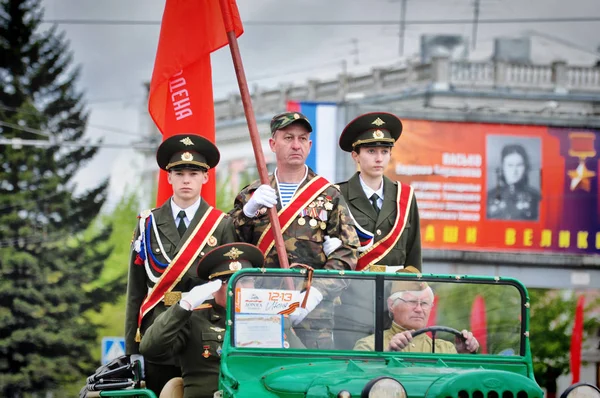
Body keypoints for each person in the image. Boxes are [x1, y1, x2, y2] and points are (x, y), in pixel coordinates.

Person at [229, 111, 360, 349]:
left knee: (314, 379)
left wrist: (316, 294)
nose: (296, 145)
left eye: (302, 139)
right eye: (288, 138)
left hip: (312, 316)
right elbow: (229, 247)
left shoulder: (328, 195)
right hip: (260, 307)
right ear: (273, 144)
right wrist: (247, 212)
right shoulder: (253, 193)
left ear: (310, 145)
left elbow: (349, 251)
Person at [125, 134, 236, 396]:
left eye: (194, 173)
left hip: (203, 338)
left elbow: (230, 287)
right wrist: (132, 349)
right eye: (180, 172)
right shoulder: (147, 223)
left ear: (205, 177)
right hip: (157, 334)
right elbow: (135, 292)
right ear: (168, 177)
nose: (187, 179)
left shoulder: (221, 225)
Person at [139, 243, 277, 398]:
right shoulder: (194, 319)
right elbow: (150, 348)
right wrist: (184, 306)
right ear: (214, 286)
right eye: (230, 281)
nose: (240, 288)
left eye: (246, 280)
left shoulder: (270, 318)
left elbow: (301, 365)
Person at [333, 112, 422, 350]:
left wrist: (412, 300)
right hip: (349, 305)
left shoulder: (405, 196)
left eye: (384, 151)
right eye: (371, 151)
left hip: (393, 306)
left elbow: (413, 256)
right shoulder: (336, 196)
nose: (378, 158)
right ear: (356, 155)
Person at [354, 267, 479, 353]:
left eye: (424, 303)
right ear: (392, 305)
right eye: (412, 302)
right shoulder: (370, 346)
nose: (419, 309)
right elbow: (361, 381)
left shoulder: (445, 349)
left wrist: (464, 354)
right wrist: (388, 353)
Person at [487, 143, 541, 221]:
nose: (514, 171)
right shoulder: (489, 196)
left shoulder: (535, 197)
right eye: (510, 165)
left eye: (519, 165)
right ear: (503, 167)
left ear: (525, 168)